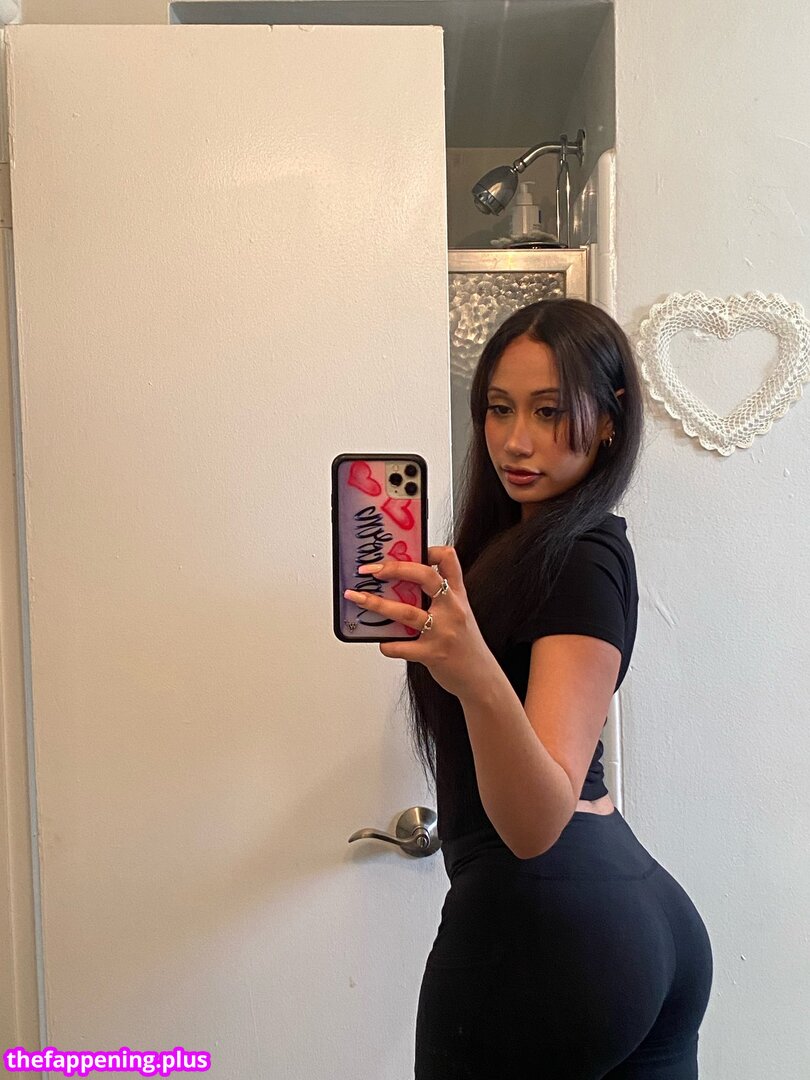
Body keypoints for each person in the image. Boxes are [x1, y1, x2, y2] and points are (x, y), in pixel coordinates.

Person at [350, 298, 713, 1077]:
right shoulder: (524, 546)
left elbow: (534, 824)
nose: (516, 440)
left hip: (547, 925)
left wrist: (474, 672)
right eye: (499, 408)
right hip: (619, 912)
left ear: (610, 419)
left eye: (549, 412)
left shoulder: (581, 556)